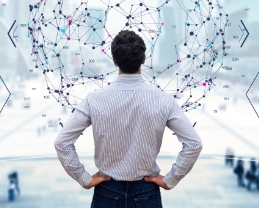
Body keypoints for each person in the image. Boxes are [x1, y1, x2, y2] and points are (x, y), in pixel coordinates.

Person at [54, 30, 202, 207]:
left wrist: (84, 178)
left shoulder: (94, 99)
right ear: (144, 59)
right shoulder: (164, 100)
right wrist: (170, 180)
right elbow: (194, 144)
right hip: (147, 192)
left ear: (115, 60)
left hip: (107, 192)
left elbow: (62, 142)